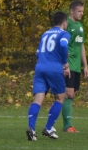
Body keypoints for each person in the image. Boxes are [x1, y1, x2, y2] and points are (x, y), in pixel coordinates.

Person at [26, 11, 71, 141]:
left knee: (37, 100)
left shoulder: (45, 34)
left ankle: (31, 128)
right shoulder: (64, 33)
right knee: (60, 99)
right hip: (54, 68)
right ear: (64, 22)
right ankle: (48, 127)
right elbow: (63, 44)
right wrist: (64, 62)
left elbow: (37, 52)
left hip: (40, 68)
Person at [62, 1, 88, 133]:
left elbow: (81, 45)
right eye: (79, 11)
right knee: (69, 94)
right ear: (71, 11)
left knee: (71, 95)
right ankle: (68, 126)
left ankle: (67, 125)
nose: (81, 14)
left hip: (77, 65)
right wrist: (63, 62)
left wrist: (85, 65)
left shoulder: (80, 26)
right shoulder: (66, 24)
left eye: (82, 11)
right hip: (68, 64)